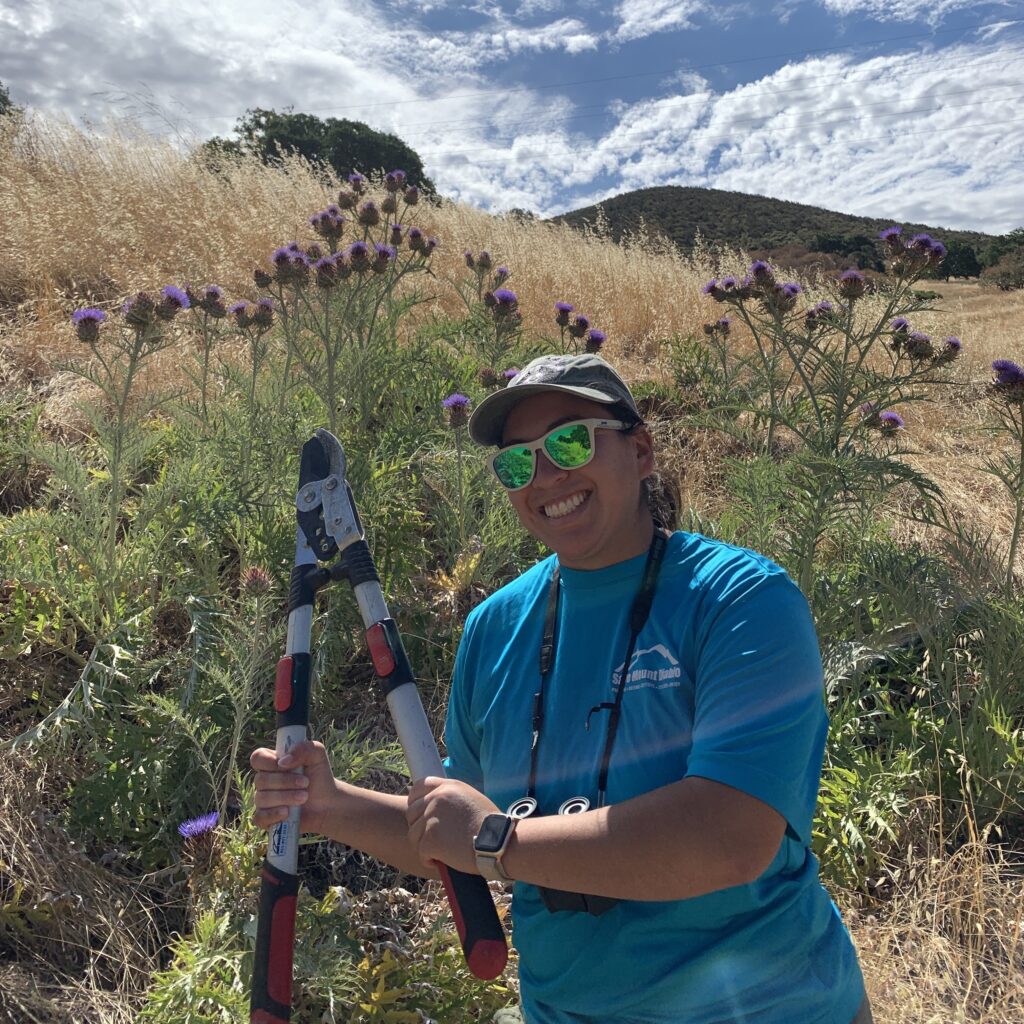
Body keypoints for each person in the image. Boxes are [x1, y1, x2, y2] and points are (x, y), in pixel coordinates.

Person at [251, 353, 871, 1024]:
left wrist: (496, 842)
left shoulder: (741, 601)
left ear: (640, 451)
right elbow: (451, 833)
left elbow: (729, 838)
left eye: (569, 442)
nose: (544, 477)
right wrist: (331, 804)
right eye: (517, 462)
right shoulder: (493, 630)